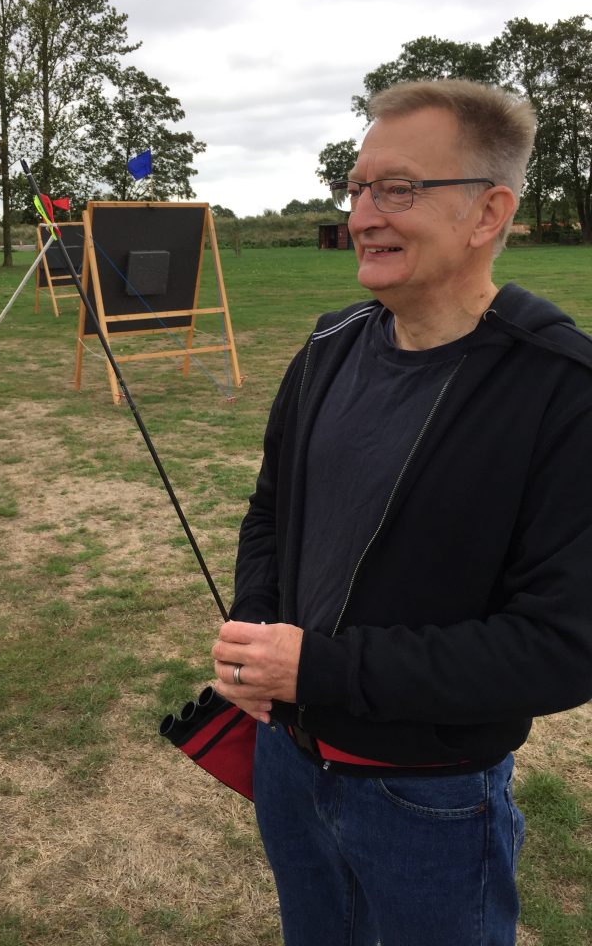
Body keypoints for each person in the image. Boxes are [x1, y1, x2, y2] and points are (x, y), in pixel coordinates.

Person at [211, 79, 592, 946]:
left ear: (488, 212)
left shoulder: (561, 391)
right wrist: (258, 628)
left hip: (428, 795)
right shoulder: (328, 344)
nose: (362, 215)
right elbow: (271, 509)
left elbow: (565, 647)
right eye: (357, 188)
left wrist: (328, 672)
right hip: (288, 761)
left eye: (400, 189)